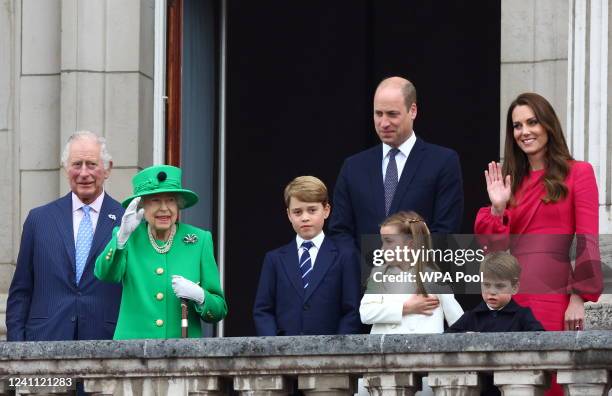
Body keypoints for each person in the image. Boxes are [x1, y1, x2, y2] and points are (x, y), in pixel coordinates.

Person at [475, 93, 602, 396]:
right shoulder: (509, 182)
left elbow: (588, 240)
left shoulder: (578, 172)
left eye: (532, 122)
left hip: (553, 295)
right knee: (513, 382)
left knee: (550, 381)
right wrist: (497, 208)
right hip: (512, 295)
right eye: (517, 126)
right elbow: (492, 250)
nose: (525, 131)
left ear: (548, 125)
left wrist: (578, 298)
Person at [6, 131, 124, 341]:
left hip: (108, 344)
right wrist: (16, 348)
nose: (84, 173)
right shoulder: (39, 220)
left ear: (107, 169)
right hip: (45, 341)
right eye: (77, 164)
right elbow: (21, 291)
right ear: (65, 169)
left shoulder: (127, 221)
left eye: (92, 164)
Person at [329, 76, 464, 249]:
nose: (384, 123)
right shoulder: (353, 167)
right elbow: (340, 231)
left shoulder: (443, 162)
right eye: (378, 114)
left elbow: (446, 230)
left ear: (413, 110)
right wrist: (365, 271)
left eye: (392, 114)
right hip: (363, 274)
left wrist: (405, 269)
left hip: (419, 273)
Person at [94, 165, 227, 339]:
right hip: (132, 352)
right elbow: (105, 274)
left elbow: (218, 310)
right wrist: (121, 238)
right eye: (155, 200)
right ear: (142, 205)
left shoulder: (199, 240)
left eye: (171, 200)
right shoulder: (128, 236)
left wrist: (200, 296)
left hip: (182, 354)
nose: (164, 208)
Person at [253, 176, 362, 336]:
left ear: (326, 210)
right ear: (289, 215)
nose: (305, 217)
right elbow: (263, 310)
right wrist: (273, 346)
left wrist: (338, 350)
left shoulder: (345, 256)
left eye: (312, 210)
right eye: (297, 212)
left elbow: (352, 310)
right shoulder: (274, 259)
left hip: (331, 353)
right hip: (283, 354)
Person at [359, 211, 463, 334]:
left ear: (410, 245)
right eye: (383, 241)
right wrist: (406, 308)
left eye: (389, 241)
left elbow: (459, 322)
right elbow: (365, 313)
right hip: (386, 351)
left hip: (425, 352)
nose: (382, 249)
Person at [446, 252, 544, 333]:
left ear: (514, 287)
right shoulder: (471, 317)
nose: (492, 292)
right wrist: (466, 337)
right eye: (486, 285)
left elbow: (541, 338)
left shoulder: (523, 316)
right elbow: (445, 339)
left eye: (499, 286)